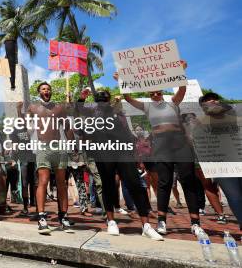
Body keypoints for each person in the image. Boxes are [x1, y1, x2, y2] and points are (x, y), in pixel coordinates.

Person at [115, 63, 204, 237]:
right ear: (149, 95)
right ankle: (162, 221)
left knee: (188, 180)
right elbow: (128, 98)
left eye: (158, 92)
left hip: (179, 142)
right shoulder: (147, 106)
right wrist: (122, 81)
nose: (155, 95)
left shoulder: (172, 102)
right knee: (164, 182)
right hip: (161, 144)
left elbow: (182, 90)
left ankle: (195, 223)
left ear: (162, 92)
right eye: (152, 93)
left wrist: (181, 72)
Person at [77, 89, 163, 240]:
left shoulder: (117, 110)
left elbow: (126, 131)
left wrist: (135, 154)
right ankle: (111, 221)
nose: (102, 98)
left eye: (105, 96)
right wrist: (81, 98)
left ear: (109, 99)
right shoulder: (92, 111)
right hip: (103, 151)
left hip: (122, 150)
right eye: (99, 97)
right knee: (108, 184)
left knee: (135, 183)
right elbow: (78, 109)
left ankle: (146, 225)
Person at [19, 82, 73, 234]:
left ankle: (63, 217)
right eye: (43, 89)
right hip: (43, 148)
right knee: (43, 181)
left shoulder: (59, 107)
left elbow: (67, 126)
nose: (46, 91)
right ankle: (42, 217)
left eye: (48, 89)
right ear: (39, 92)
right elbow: (24, 123)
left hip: (60, 148)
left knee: (62, 184)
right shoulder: (33, 107)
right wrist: (19, 111)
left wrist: (73, 144)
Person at [193, 92, 242, 230]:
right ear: (203, 106)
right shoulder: (200, 123)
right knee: (235, 197)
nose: (213, 101)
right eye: (208, 100)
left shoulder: (234, 117)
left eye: (215, 99)